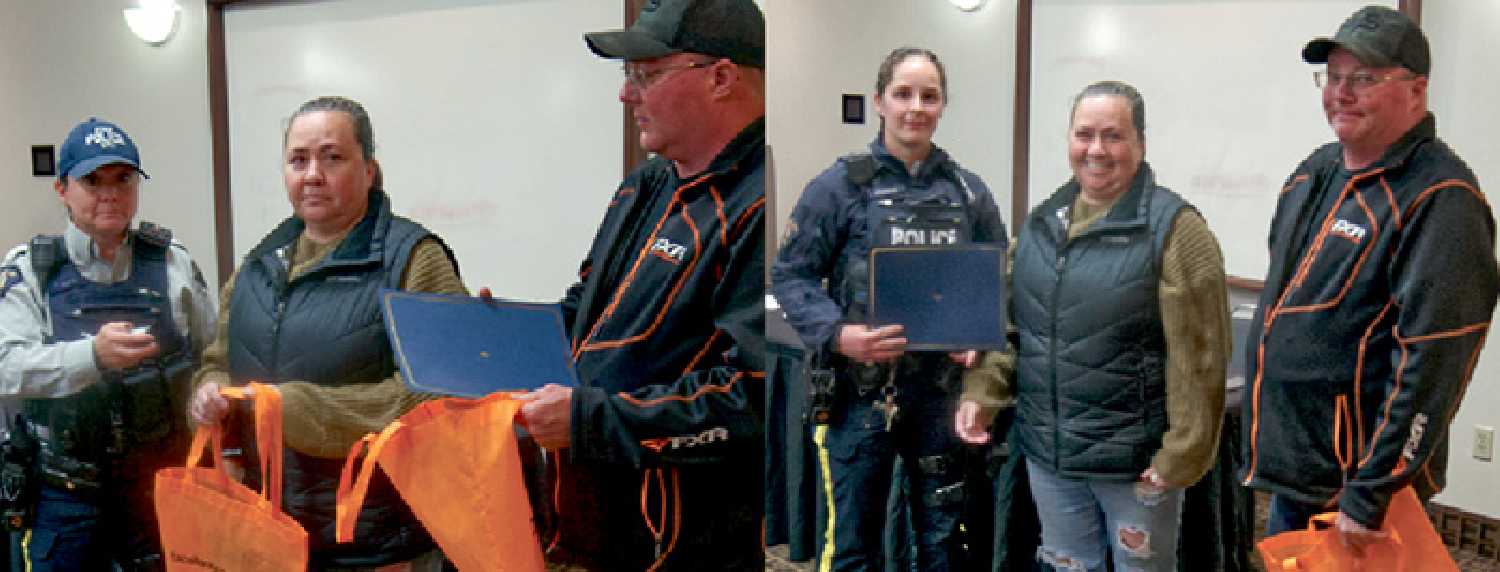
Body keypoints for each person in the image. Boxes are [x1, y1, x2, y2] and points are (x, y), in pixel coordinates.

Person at [502, 0, 767, 569]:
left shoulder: (772, 204)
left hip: (691, 545)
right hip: (595, 530)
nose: (626, 95)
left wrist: (587, 419)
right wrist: (497, 334)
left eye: (645, 75)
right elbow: (586, 311)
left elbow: (753, 398)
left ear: (721, 78)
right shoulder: (645, 186)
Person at [1242, 4, 1498, 551]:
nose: (1341, 93)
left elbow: (1433, 361)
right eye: (1333, 77)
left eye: (1364, 78)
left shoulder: (1441, 199)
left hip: (1359, 497)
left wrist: (1372, 491)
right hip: (1296, 477)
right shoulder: (1314, 172)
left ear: (1416, 90)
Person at [958, 81, 1231, 572]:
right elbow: (1011, 330)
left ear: (1140, 144)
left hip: (1135, 470)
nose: (1096, 150)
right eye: (1084, 134)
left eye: (1114, 136)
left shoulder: (1175, 230)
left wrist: (1181, 454)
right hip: (1051, 459)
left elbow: (1202, 356)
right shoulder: (1041, 225)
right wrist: (982, 394)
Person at [187, 96, 464, 570]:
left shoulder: (413, 259)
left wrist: (304, 411)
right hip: (273, 535)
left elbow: (441, 394)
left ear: (369, 170)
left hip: (377, 543)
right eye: (298, 159)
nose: (312, 173)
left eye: (332, 157)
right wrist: (206, 392)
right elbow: (218, 359)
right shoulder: (257, 266)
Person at [773, 47, 1008, 571]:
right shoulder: (838, 188)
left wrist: (975, 330)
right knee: (854, 546)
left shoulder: (968, 193)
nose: (915, 107)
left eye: (929, 95)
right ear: (880, 101)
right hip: (859, 397)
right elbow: (790, 274)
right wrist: (838, 335)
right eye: (903, 94)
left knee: (943, 542)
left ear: (943, 105)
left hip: (939, 397)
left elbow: (995, 280)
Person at [0, 118, 216, 570]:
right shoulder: (32, 269)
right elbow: (6, 368)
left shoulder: (172, 261)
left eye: (123, 179)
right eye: (91, 181)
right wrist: (91, 357)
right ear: (62, 189)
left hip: (157, 487)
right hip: (66, 494)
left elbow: (210, 354)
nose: (109, 193)